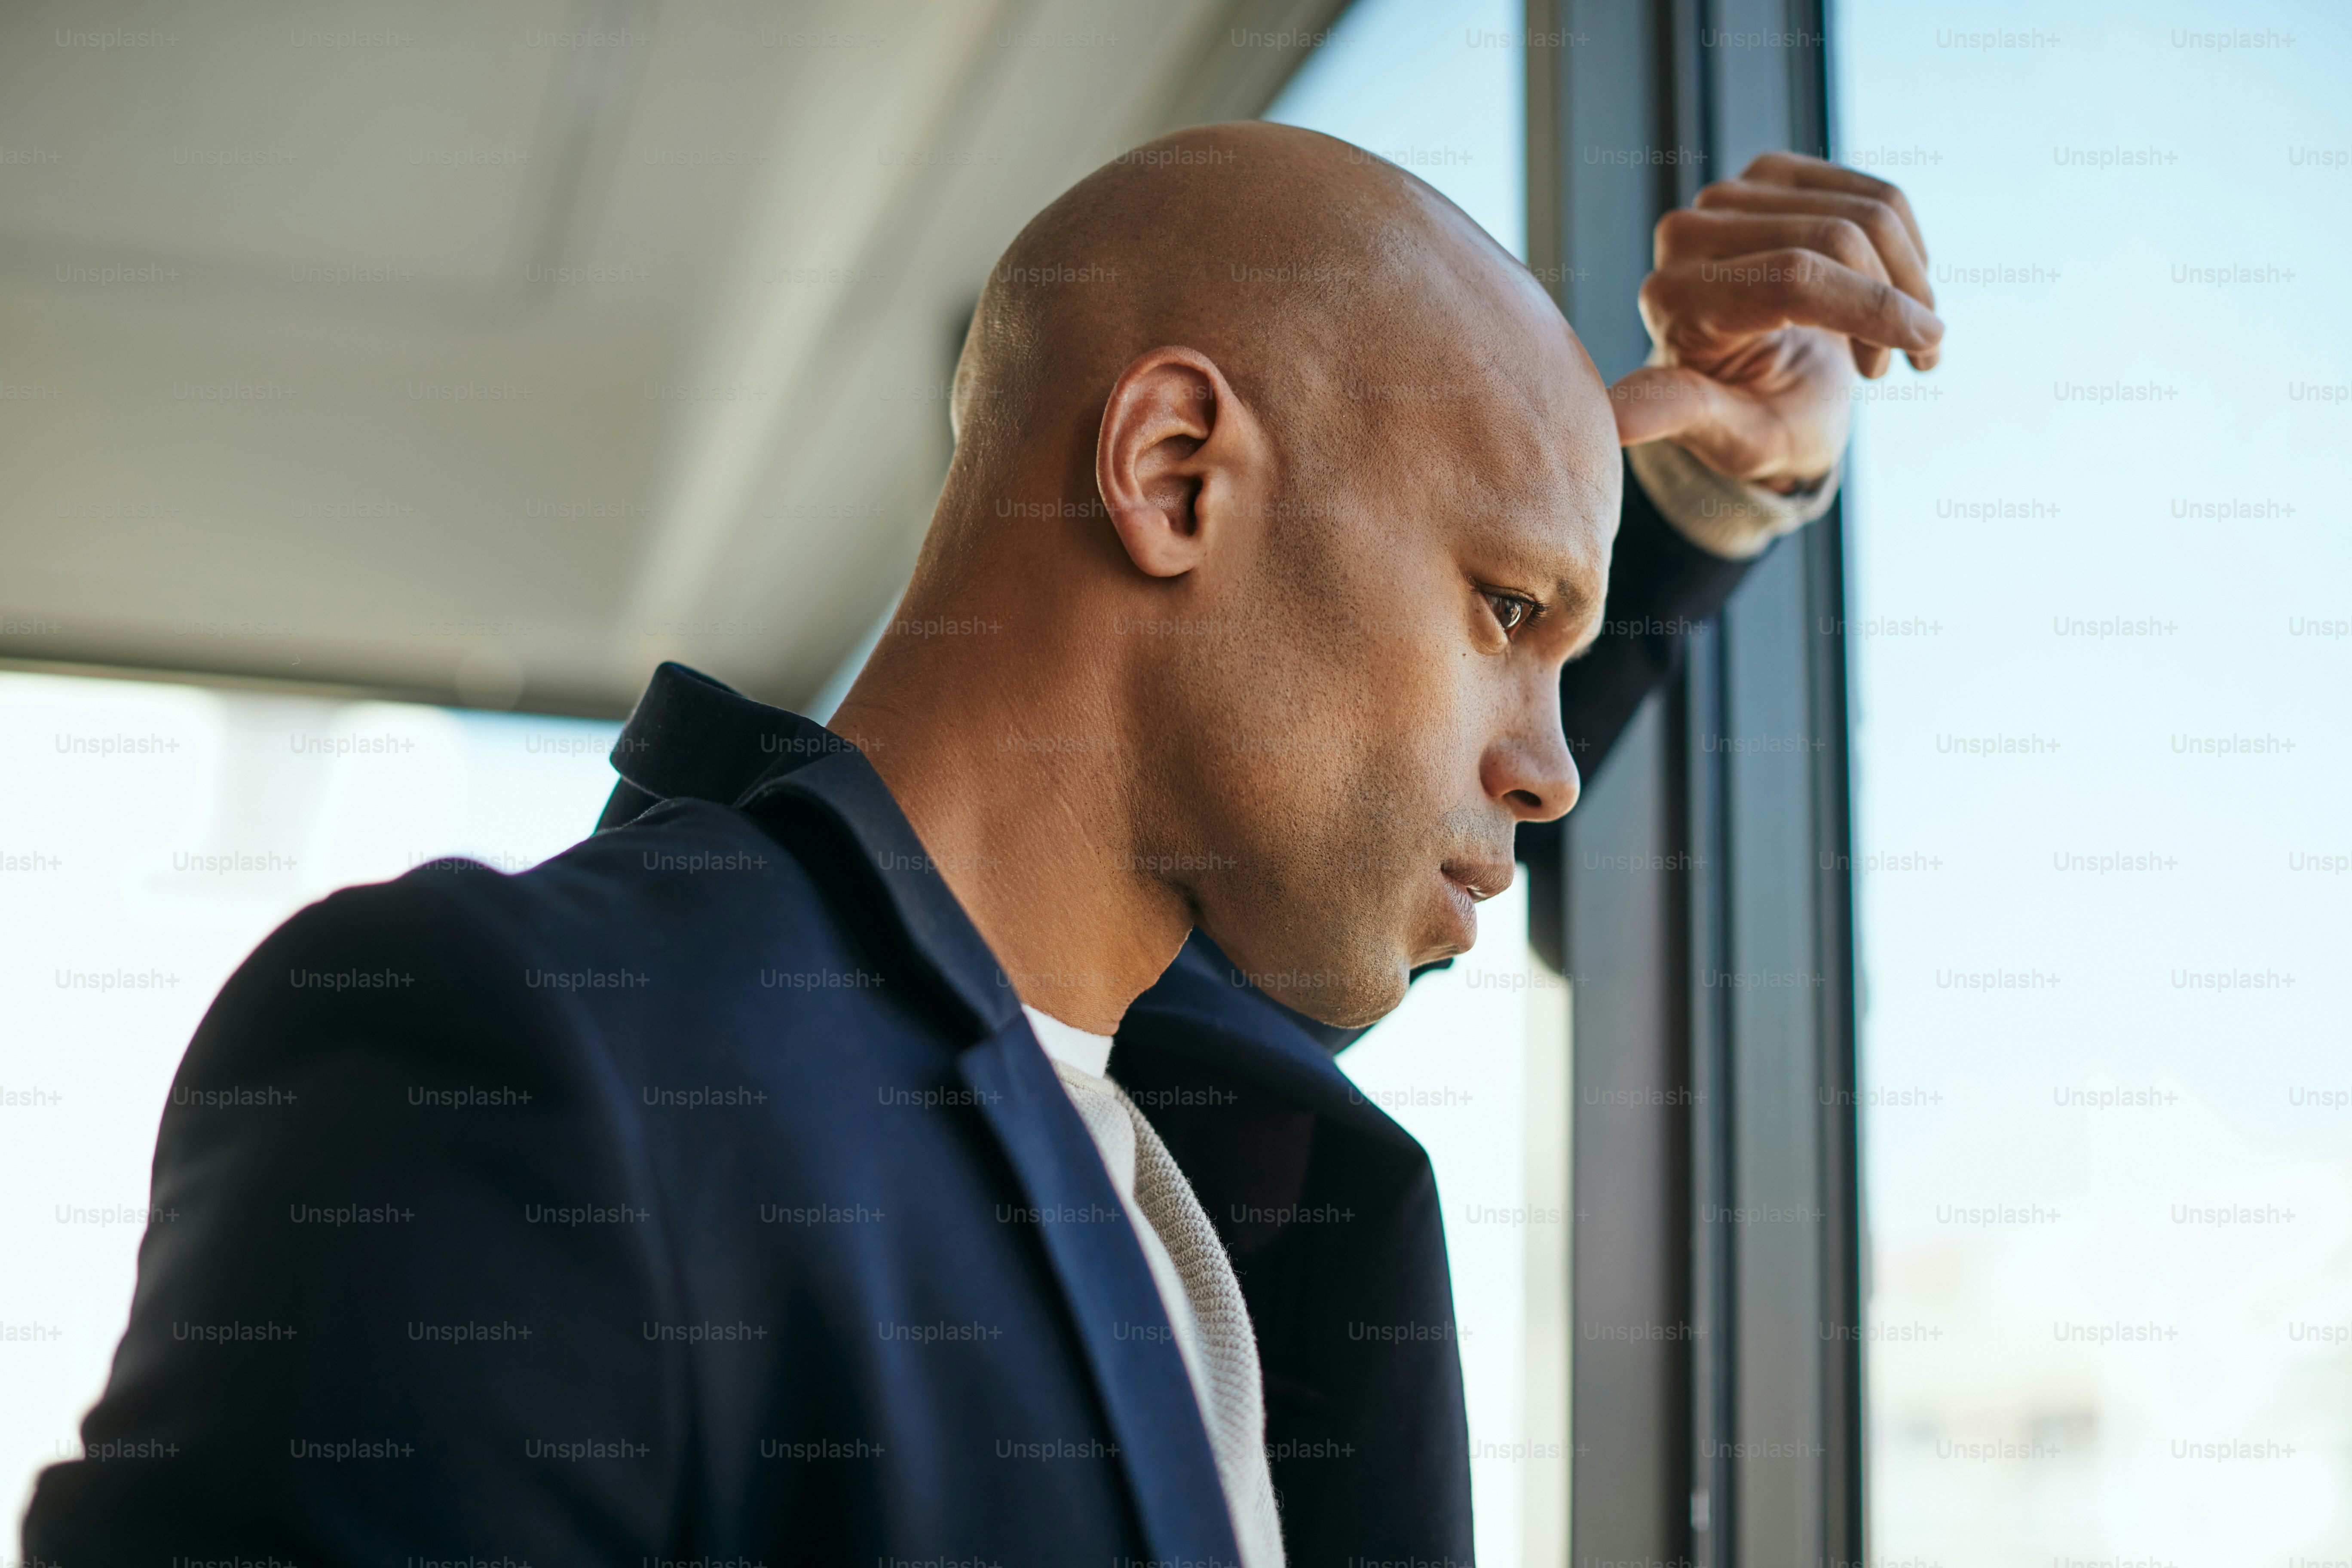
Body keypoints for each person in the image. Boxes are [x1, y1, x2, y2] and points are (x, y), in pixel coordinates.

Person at [24, 122, 1937, 1567]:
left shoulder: (1160, 1100)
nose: (1551, 773)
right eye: (1507, 612)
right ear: (1174, 477)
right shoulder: (524, 1056)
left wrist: (1685, 509)